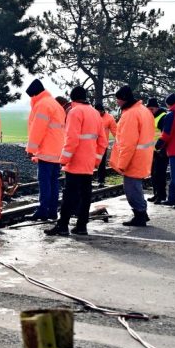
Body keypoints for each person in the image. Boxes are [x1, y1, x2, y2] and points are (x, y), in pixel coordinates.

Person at [46, 86, 107, 237]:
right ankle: (81, 226)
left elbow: (72, 139)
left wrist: (64, 159)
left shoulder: (74, 112)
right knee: (86, 195)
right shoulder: (95, 113)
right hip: (88, 163)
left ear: (72, 99)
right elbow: (103, 141)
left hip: (75, 162)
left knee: (69, 196)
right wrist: (96, 161)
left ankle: (63, 226)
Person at [109, 86, 156, 227]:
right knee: (136, 186)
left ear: (123, 99)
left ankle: (140, 214)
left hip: (133, 158)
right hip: (143, 156)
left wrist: (122, 163)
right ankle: (142, 213)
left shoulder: (130, 114)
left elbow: (128, 143)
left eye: (118, 99)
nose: (116, 102)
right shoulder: (143, 111)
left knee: (131, 188)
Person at [25, 79, 66, 221]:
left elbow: (38, 129)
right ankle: (53, 211)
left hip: (47, 151)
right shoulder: (55, 104)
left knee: (45, 183)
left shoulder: (42, 105)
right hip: (57, 151)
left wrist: (31, 149)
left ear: (34, 94)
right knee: (54, 182)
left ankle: (43, 211)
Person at [146, 98, 169, 204]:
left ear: (157, 108)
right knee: (153, 174)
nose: (150, 111)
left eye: (152, 109)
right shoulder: (151, 117)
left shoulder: (163, 117)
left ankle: (161, 196)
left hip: (161, 151)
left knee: (160, 174)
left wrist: (162, 149)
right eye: (148, 109)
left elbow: (165, 135)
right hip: (153, 150)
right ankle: (156, 194)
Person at [95, 102, 118, 187]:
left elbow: (115, 131)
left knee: (101, 163)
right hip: (92, 144)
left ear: (102, 111)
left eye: (98, 112)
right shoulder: (92, 116)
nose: (97, 114)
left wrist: (119, 141)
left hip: (103, 144)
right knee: (89, 162)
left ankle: (101, 180)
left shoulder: (109, 118)